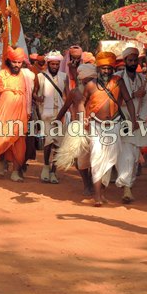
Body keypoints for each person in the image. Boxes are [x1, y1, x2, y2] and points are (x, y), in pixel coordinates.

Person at [81, 51, 137, 206]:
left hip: (115, 124)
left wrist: (133, 120)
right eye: (103, 68)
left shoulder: (118, 82)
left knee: (109, 160)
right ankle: (97, 196)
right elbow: (82, 102)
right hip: (95, 125)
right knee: (97, 158)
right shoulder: (91, 84)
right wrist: (82, 118)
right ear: (98, 68)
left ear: (113, 69)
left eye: (109, 68)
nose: (106, 71)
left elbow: (129, 101)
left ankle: (102, 193)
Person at [0, 47, 35, 182]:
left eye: (19, 62)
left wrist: (29, 112)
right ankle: (1, 161)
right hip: (3, 113)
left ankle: (15, 172)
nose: (17, 65)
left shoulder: (26, 76)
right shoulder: (2, 74)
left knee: (19, 143)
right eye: (14, 62)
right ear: (9, 61)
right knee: (0, 139)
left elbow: (32, 92)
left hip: (21, 114)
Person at [114, 47, 147, 203]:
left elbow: (146, 102)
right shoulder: (117, 78)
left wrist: (140, 119)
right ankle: (127, 188)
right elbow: (115, 100)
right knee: (127, 155)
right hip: (122, 120)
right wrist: (135, 95)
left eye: (135, 60)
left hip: (138, 122)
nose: (133, 63)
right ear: (125, 61)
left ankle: (128, 183)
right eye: (130, 60)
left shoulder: (142, 79)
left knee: (134, 156)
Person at [55, 63, 96, 195]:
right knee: (80, 160)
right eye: (87, 80)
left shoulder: (99, 91)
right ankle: (86, 183)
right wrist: (57, 121)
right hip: (78, 128)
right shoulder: (75, 93)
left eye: (91, 79)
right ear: (82, 79)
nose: (89, 82)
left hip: (96, 127)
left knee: (95, 157)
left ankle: (94, 182)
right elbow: (65, 107)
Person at [34, 50, 68, 184]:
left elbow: (66, 96)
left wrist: (67, 113)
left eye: (57, 64)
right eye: (52, 64)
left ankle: (54, 171)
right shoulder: (40, 77)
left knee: (58, 144)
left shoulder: (64, 77)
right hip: (46, 114)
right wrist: (38, 98)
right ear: (48, 64)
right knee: (48, 142)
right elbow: (34, 93)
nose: (54, 67)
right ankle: (46, 167)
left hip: (60, 114)